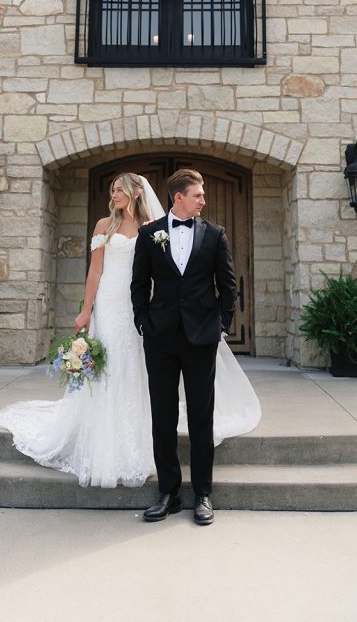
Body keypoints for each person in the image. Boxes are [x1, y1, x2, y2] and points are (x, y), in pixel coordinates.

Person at [0, 172, 261, 494]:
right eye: (112, 189)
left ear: (134, 192)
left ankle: (184, 480)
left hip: (175, 324)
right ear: (180, 198)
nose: (114, 194)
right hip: (118, 309)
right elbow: (102, 271)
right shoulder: (114, 227)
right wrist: (91, 310)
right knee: (124, 384)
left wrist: (214, 324)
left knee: (141, 381)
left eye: (119, 189)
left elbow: (207, 281)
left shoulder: (171, 228)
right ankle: (128, 462)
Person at [131, 168, 237, 526]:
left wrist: (221, 324)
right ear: (179, 197)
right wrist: (143, 322)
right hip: (160, 337)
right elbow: (138, 284)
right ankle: (169, 493)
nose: (203, 201)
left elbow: (228, 285)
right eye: (198, 195)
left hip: (200, 338)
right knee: (162, 417)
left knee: (201, 416)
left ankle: (203, 493)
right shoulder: (149, 234)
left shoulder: (215, 234)